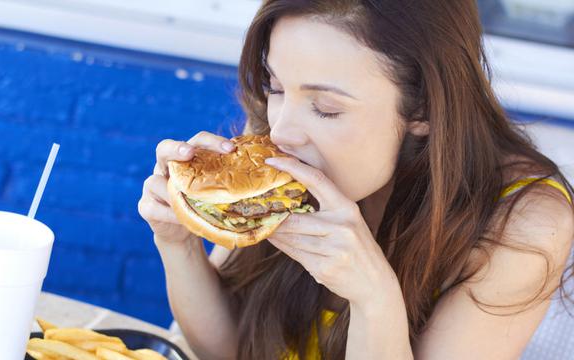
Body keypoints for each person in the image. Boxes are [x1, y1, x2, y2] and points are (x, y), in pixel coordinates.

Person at [138, 1, 574, 359]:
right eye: (276, 87)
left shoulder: (525, 220)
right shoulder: (281, 148)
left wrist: (373, 299)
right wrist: (178, 242)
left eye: (326, 107)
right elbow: (228, 352)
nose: (281, 132)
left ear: (424, 108)